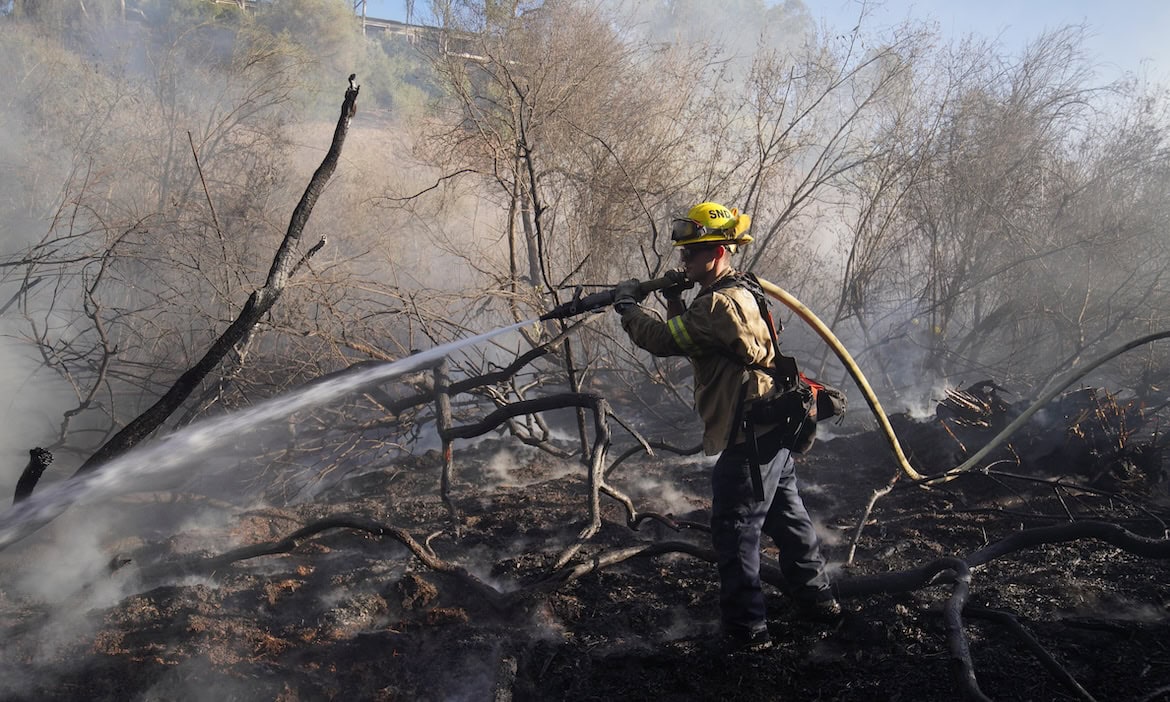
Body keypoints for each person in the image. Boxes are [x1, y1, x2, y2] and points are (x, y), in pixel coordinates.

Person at [612, 202, 840, 652]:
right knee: (786, 518)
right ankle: (818, 603)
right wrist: (675, 297)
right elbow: (692, 337)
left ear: (717, 251)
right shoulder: (737, 291)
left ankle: (747, 631)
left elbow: (663, 340)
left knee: (734, 531)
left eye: (691, 254)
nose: (683, 262)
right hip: (772, 430)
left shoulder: (718, 303)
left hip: (750, 437)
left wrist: (627, 308)